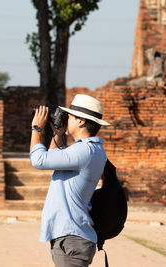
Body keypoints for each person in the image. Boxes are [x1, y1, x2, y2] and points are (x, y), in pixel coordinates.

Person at [29, 94, 110, 267]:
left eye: (70, 116)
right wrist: (58, 132)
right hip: (70, 236)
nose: (67, 119)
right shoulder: (89, 150)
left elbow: (39, 160)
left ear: (80, 121)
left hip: (73, 237)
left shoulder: (85, 150)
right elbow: (53, 156)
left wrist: (37, 128)